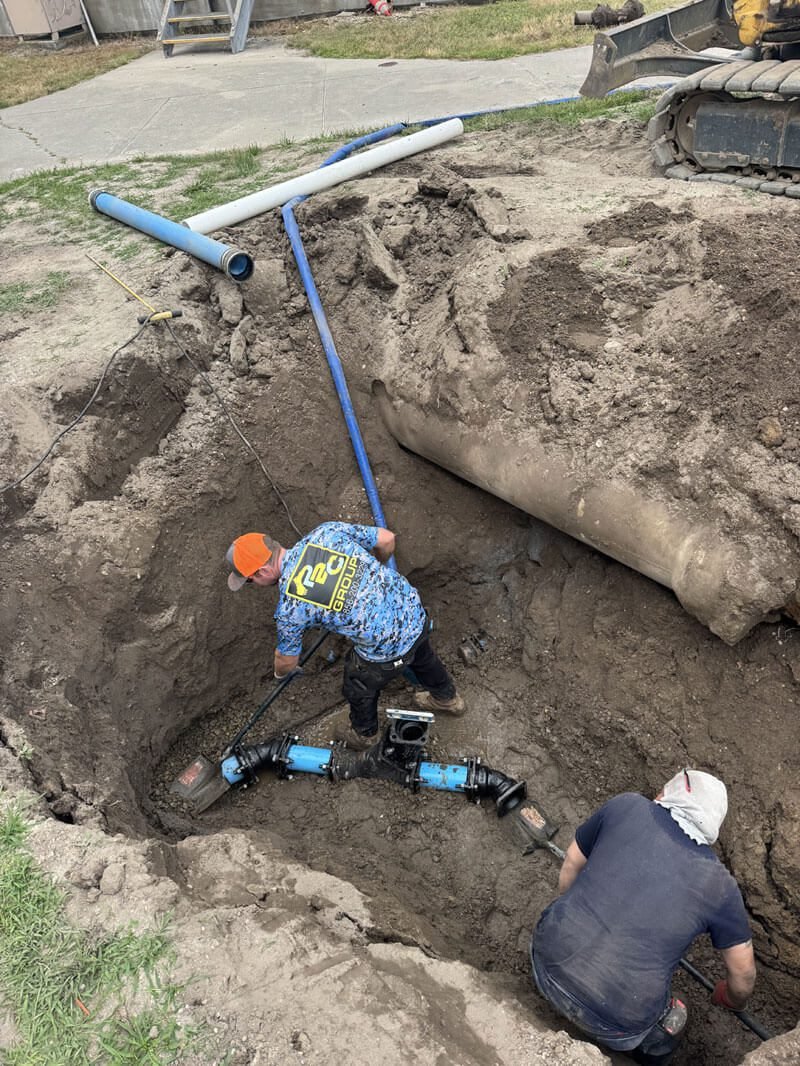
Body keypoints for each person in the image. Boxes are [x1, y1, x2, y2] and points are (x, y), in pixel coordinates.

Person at [530, 769, 756, 1065]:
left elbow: (572, 861)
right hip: (618, 1019)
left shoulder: (625, 806)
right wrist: (729, 998)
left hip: (546, 961)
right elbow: (743, 974)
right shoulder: (720, 886)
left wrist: (573, 910)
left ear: (667, 795)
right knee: (675, 1019)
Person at [224, 522, 464, 750]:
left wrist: (280, 674)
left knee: (358, 685)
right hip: (413, 612)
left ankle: (364, 735)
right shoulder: (326, 532)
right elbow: (386, 539)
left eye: (250, 581)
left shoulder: (290, 607)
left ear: (263, 571)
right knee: (423, 657)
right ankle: (448, 700)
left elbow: (287, 660)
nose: (253, 584)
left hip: (386, 649)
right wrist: (372, 574)